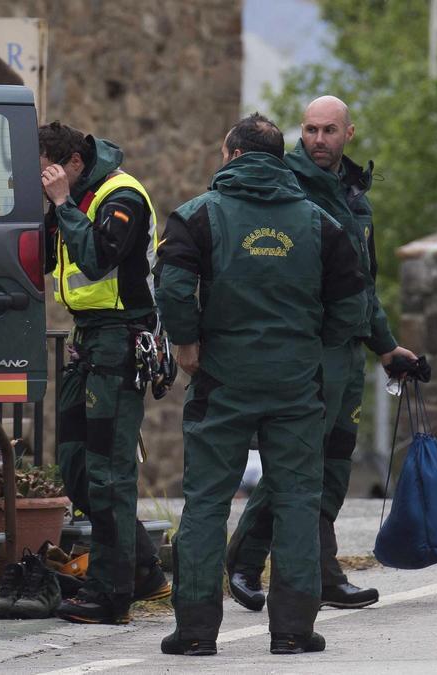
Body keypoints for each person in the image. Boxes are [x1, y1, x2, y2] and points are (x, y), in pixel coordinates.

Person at [155, 113, 366, 656]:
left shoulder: (195, 217)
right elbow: (352, 305)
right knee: (297, 499)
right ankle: (294, 630)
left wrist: (186, 343)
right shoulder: (321, 222)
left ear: (230, 154)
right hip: (296, 382)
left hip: (220, 379)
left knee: (205, 502)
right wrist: (313, 343)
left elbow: (174, 286)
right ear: (279, 159)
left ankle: (197, 632)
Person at [226, 96, 418, 612]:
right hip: (307, 351)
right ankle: (244, 560)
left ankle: (324, 573)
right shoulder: (286, 188)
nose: (317, 140)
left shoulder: (355, 194)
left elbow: (361, 283)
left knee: (333, 467)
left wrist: (384, 346)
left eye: (329, 130)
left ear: (348, 133)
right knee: (298, 466)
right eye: (309, 129)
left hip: (347, 351)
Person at [38, 121, 169, 625]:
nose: (44, 179)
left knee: (110, 474)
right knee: (75, 466)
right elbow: (51, 261)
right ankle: (144, 570)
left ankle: (111, 595)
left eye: (49, 169)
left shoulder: (122, 195)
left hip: (120, 340)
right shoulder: (73, 199)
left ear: (73, 163)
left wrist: (63, 204)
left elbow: (95, 260)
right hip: (86, 339)